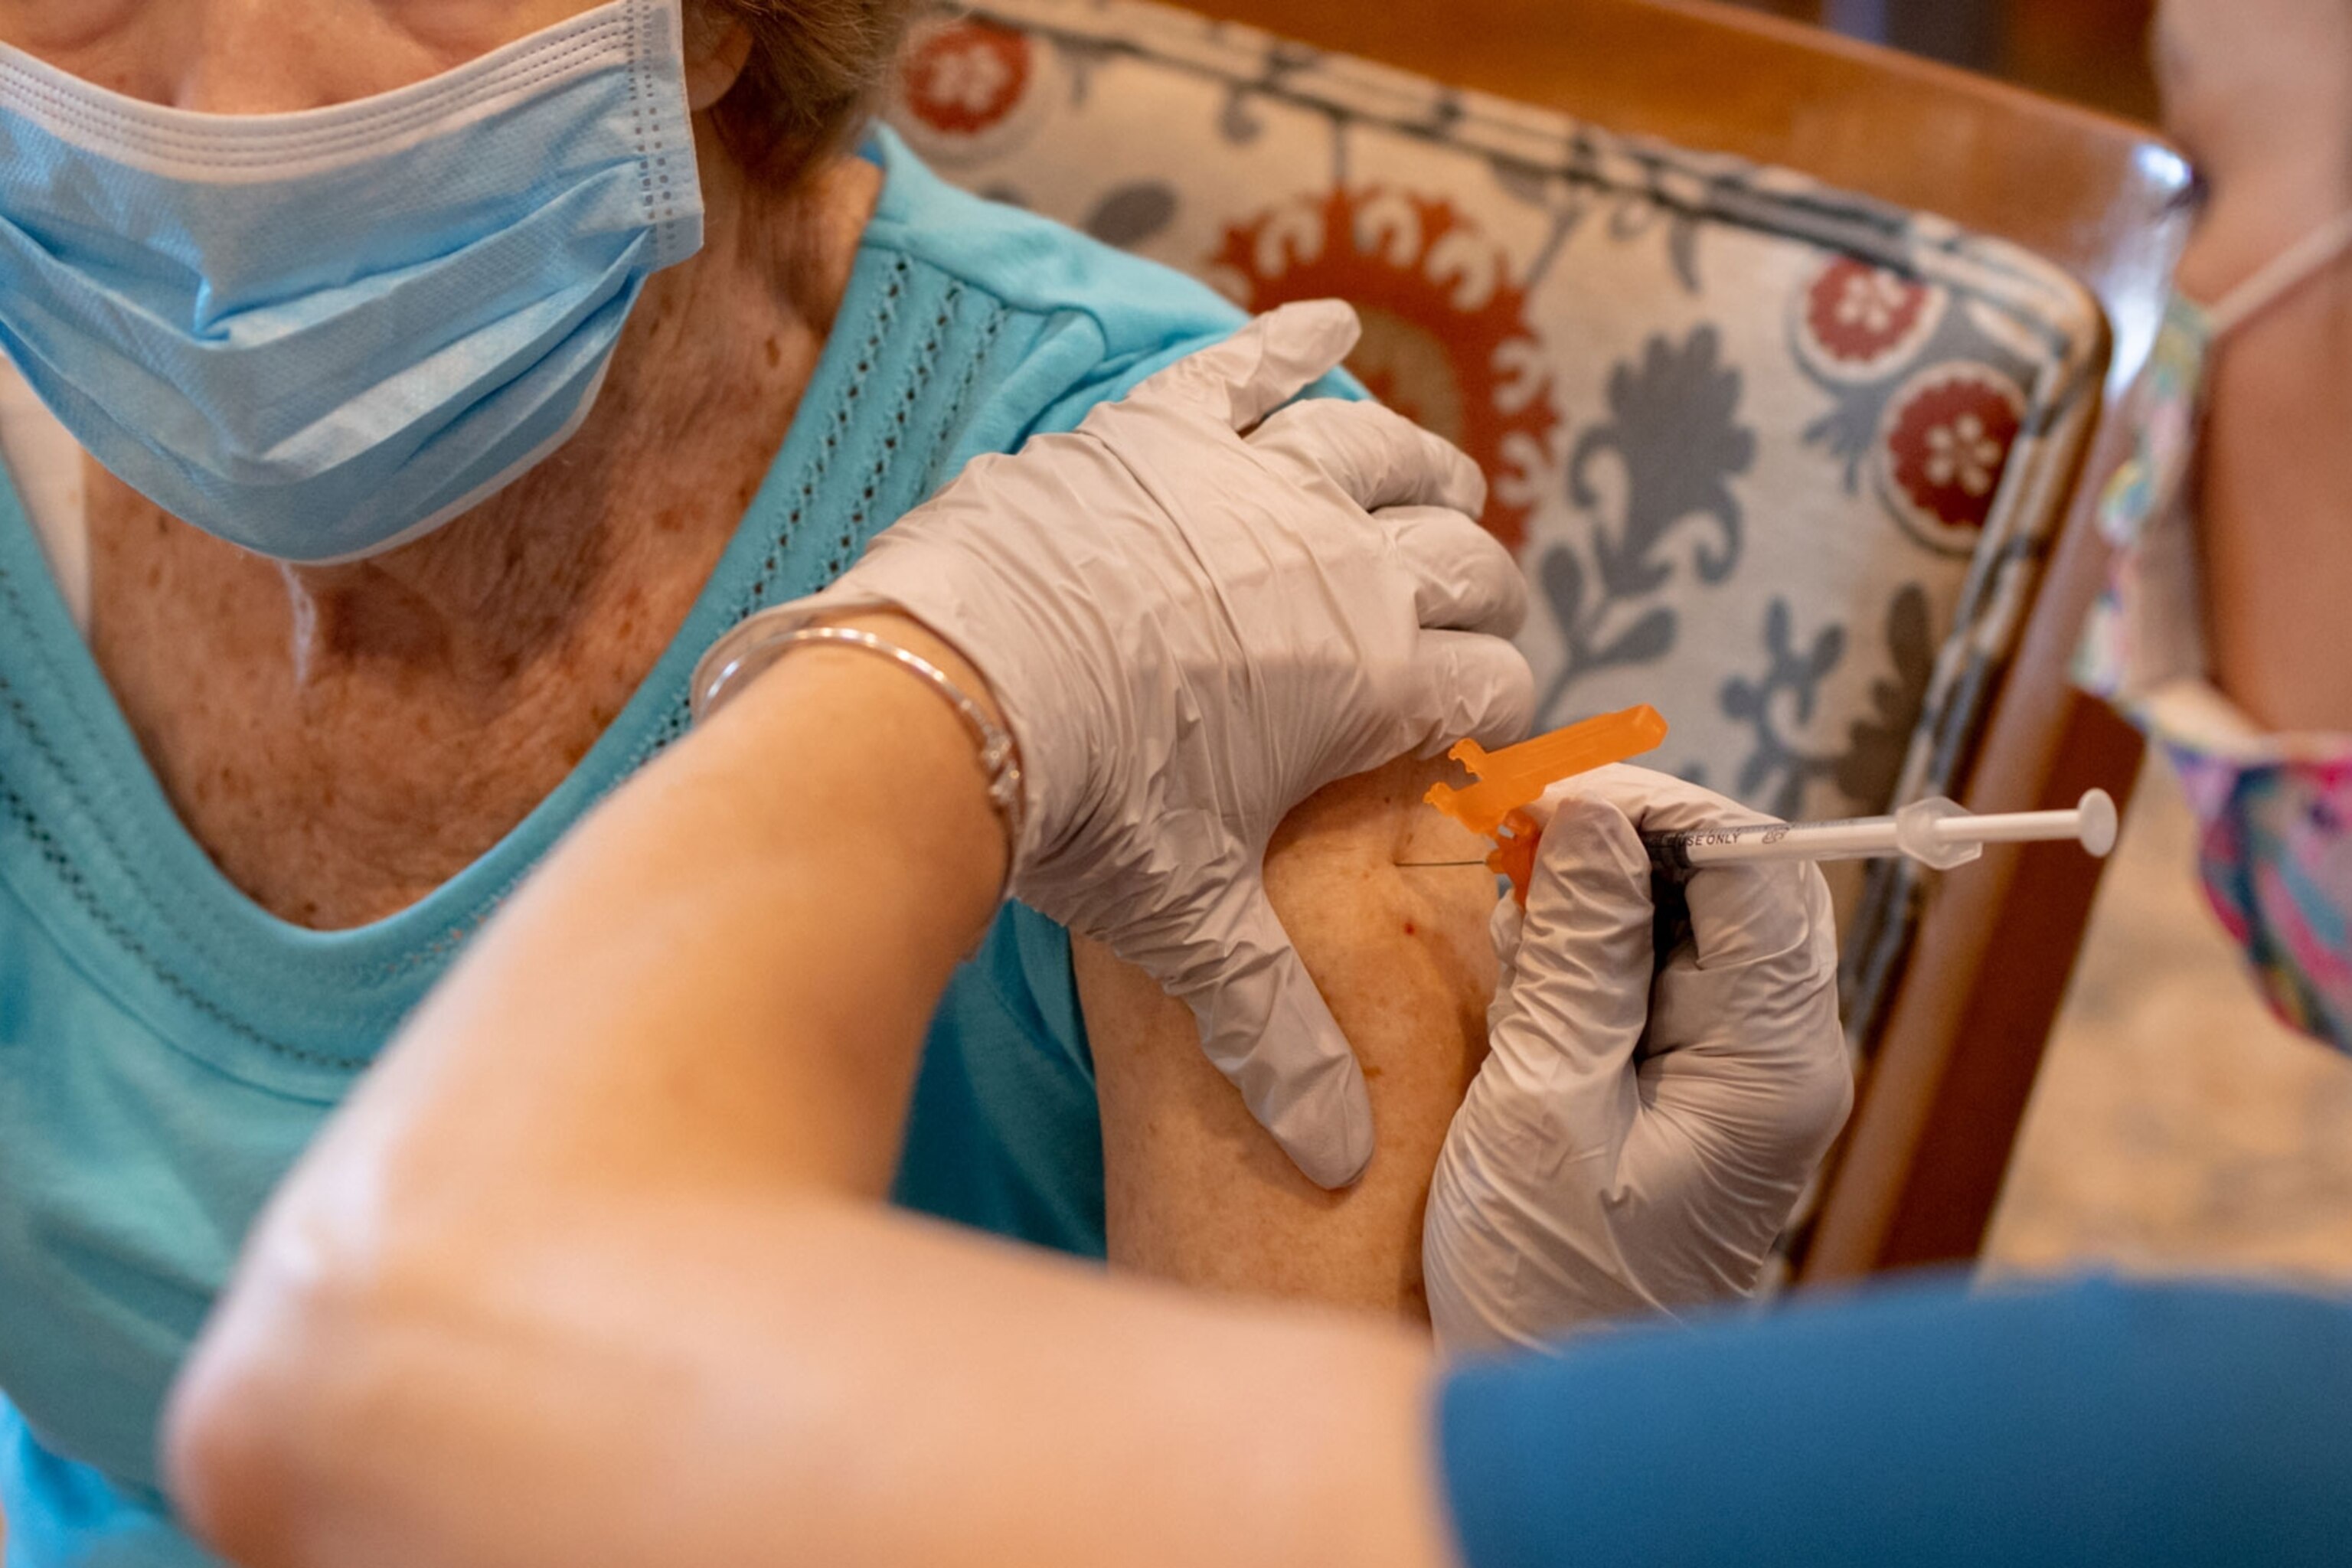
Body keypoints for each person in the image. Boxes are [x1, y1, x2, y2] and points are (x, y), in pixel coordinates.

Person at [162, 0, 2352, 1563]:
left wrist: (928, 676)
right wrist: (1543, 1435)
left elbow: (371, 1367)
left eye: (2243, 192)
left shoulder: (2210, 1440)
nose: (225, 108)